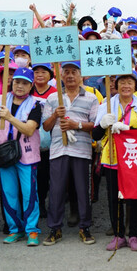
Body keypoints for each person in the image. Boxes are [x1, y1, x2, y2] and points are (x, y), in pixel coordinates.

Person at [92, 72, 137, 251]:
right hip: (112, 158)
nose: (126, 86)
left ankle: (134, 235)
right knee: (114, 198)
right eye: (122, 83)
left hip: (135, 160)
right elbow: (95, 135)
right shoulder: (106, 105)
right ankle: (119, 235)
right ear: (115, 86)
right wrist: (103, 125)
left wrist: (130, 129)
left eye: (129, 82)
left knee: (136, 198)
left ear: (136, 86)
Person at [42, 61, 98, 246]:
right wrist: (55, 116)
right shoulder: (53, 98)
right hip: (58, 149)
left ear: (81, 76)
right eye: (66, 72)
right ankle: (54, 228)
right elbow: (46, 126)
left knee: (83, 190)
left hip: (82, 150)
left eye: (74, 72)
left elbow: (96, 126)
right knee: (56, 191)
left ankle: (85, 227)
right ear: (61, 76)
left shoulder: (91, 98)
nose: (70, 75)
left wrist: (77, 125)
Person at [0, 67, 42, 246]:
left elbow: (29, 128)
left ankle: (32, 230)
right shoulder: (0, 100)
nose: (20, 86)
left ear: (31, 85)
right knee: (8, 193)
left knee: (29, 193)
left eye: (25, 83)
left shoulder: (35, 104)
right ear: (12, 82)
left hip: (27, 154)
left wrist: (9, 117)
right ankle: (14, 229)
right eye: (17, 81)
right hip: (3, 153)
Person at [31, 63, 57, 219]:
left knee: (45, 175)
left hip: (50, 142)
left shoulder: (56, 93)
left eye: (43, 72)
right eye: (36, 72)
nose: (39, 74)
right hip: (29, 140)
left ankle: (42, 202)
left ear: (50, 75)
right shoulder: (27, 90)